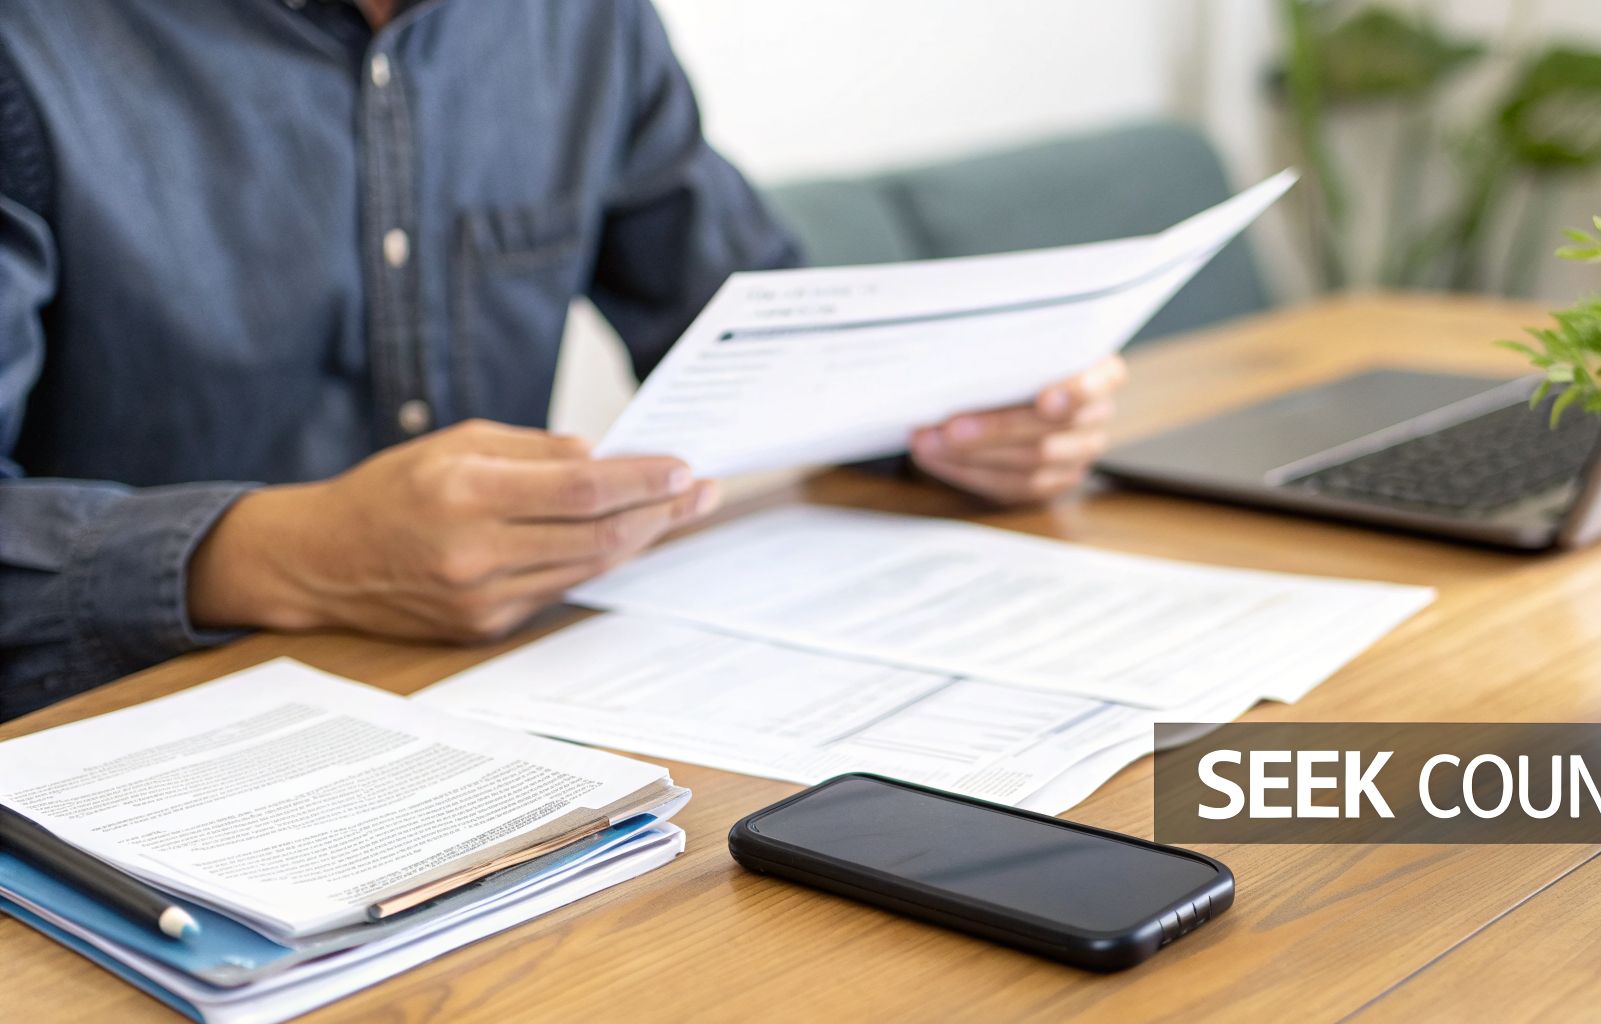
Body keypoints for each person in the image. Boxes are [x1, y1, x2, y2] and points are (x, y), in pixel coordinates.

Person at [0, 0, 1127, 721]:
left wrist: (961, 418)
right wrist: (290, 552)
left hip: (511, 716)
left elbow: (748, 323)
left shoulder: (583, 21)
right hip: (127, 743)